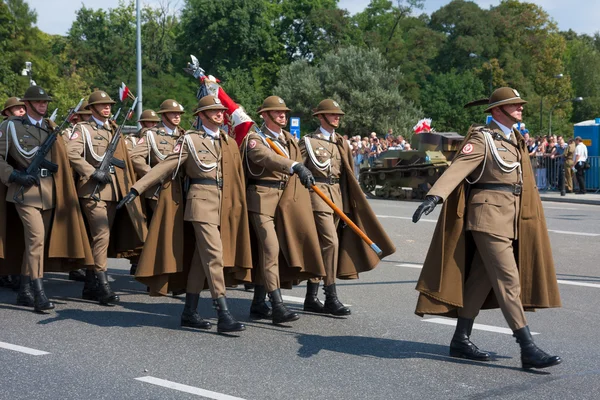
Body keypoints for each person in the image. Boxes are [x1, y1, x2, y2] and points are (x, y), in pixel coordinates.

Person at [412, 87, 562, 370]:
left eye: (519, 105)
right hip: (487, 217)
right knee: (509, 280)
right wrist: (435, 195)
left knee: (481, 280)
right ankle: (527, 347)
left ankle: (460, 339)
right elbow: (459, 167)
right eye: (514, 105)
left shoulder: (515, 139)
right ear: (497, 110)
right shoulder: (483, 138)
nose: (520, 109)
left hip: (511, 217)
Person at [118, 95, 252, 333]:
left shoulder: (228, 141)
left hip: (224, 205)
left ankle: (189, 311)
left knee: (201, 262)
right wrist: (137, 188)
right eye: (213, 111)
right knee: (214, 256)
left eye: (221, 111)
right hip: (201, 203)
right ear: (201, 115)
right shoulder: (190, 140)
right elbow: (165, 165)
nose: (220, 114)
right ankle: (223, 313)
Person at [0, 86, 94, 312]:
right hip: (24, 191)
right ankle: (39, 292)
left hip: (48, 191)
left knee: (33, 243)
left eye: (45, 102)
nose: (43, 105)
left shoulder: (51, 128)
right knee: (37, 239)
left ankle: (24, 290)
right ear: (27, 105)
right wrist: (13, 175)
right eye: (38, 102)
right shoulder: (11, 127)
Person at [299, 99, 395, 315]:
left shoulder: (341, 142)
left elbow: (347, 174)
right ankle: (331, 296)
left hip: (337, 198)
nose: (338, 117)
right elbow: (297, 169)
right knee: (330, 244)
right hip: (318, 197)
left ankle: (311, 296)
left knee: (323, 245)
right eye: (333, 114)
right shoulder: (308, 142)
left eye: (338, 114)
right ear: (321, 117)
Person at [241, 95, 325, 324]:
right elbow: (266, 158)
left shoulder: (289, 140)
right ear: (264, 115)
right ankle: (277, 306)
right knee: (270, 249)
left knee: (272, 253)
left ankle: (258, 303)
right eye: (277, 112)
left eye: (284, 112)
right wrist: (295, 166)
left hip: (284, 201)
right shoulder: (255, 139)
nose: (283, 115)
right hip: (261, 199)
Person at [67, 90, 146, 306]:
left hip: (111, 191)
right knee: (101, 235)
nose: (107, 108)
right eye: (102, 105)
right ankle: (103, 286)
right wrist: (91, 171)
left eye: (109, 105)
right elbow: (71, 152)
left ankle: (90, 285)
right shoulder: (83, 129)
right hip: (92, 190)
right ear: (92, 109)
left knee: (103, 237)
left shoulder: (114, 130)